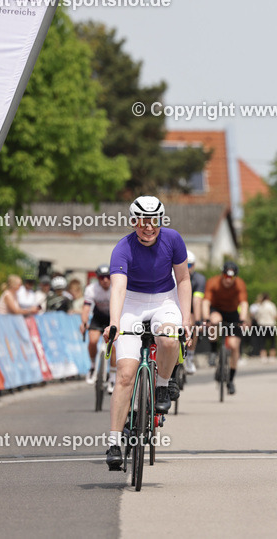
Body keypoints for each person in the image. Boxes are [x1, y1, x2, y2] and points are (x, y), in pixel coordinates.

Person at [103, 196, 192, 471]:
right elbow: (117, 288)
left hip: (164, 301)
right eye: (142, 222)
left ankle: (163, 385)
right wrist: (114, 322)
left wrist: (186, 320)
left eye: (153, 221)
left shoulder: (173, 239)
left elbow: (184, 279)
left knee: (168, 338)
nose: (148, 227)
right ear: (134, 221)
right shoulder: (122, 248)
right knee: (126, 374)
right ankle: (115, 442)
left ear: (160, 221)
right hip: (132, 303)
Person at [202, 261, 250, 394]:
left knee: (234, 345)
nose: (229, 280)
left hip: (233, 313)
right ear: (222, 275)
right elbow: (206, 302)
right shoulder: (213, 282)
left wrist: (242, 319)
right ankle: (213, 350)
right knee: (215, 320)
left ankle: (231, 380)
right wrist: (206, 318)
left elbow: (244, 303)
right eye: (226, 276)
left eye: (232, 277)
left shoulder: (239, 284)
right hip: (216, 309)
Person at [82, 265, 115, 391]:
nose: (105, 280)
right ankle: (92, 366)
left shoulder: (116, 287)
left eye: (107, 277)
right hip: (98, 316)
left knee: (114, 345)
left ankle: (112, 377)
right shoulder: (91, 289)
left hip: (113, 317)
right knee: (93, 340)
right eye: (102, 277)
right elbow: (86, 308)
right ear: (98, 278)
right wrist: (84, 323)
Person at [185, 250, 206, 374]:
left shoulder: (199, 279)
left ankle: (190, 357)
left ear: (194, 266)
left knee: (193, 325)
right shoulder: (172, 274)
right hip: (176, 305)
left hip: (191, 307)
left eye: (189, 265)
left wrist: (198, 321)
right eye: (185, 265)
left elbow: (197, 301)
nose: (187, 268)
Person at [251, 292, 277, 362]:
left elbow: (256, 317)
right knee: (272, 341)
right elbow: (275, 315)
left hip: (262, 325)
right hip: (271, 325)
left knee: (262, 342)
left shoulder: (260, 306)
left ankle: (263, 357)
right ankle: (272, 357)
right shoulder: (272, 305)